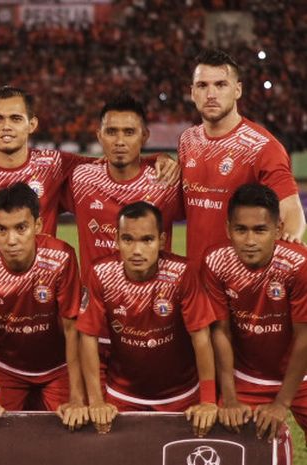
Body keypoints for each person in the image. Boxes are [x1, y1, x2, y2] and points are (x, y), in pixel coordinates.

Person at [0, 86, 179, 248]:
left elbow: (116, 161)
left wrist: (157, 158)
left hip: (39, 290)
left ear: (32, 124)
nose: (6, 126)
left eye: (16, 118)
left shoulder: (54, 164)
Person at [77, 201, 217, 437]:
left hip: (181, 394)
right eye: (128, 239)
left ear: (161, 240)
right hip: (122, 393)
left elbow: (201, 336)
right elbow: (87, 336)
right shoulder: (100, 273)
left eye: (147, 240)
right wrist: (96, 401)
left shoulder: (183, 273)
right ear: (117, 240)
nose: (137, 250)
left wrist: (209, 400)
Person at [0, 183, 87, 431]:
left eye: (21, 228)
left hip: (57, 368)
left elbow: (73, 328)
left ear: (37, 226)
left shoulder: (61, 258)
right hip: (2, 368)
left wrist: (77, 397)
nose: (12, 240)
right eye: (2, 229)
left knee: (72, 432)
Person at [202, 183, 307, 457]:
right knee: (231, 442)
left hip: (302, 374)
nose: (250, 241)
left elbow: (305, 337)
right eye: (241, 230)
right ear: (228, 229)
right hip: (249, 377)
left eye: (260, 230)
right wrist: (231, 399)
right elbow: (220, 332)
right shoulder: (215, 262)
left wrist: (282, 403)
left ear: (279, 229)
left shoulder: (298, 264)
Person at [179, 48, 305, 264]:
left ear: (237, 90)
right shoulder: (188, 140)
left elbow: (292, 212)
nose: (211, 94)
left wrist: (288, 249)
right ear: (192, 92)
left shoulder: (262, 147)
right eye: (202, 85)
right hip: (195, 283)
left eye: (220, 85)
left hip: (239, 285)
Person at [67, 93, 183, 274]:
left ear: (144, 136)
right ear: (99, 136)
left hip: (151, 299)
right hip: (97, 300)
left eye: (129, 132)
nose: (119, 142)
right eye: (111, 132)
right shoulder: (82, 178)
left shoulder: (166, 182)